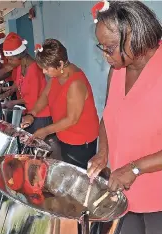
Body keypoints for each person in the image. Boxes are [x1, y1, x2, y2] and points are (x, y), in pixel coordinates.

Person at [87, 1, 162, 234]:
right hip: (126, 194)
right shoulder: (117, 70)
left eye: (109, 48)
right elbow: (108, 116)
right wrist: (103, 152)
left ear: (132, 36)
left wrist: (135, 168)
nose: (105, 56)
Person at [21, 39, 99, 170]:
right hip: (64, 134)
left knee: (77, 175)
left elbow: (72, 119)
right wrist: (32, 114)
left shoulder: (75, 84)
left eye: (46, 68)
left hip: (80, 140)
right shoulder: (56, 76)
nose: (44, 72)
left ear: (61, 64)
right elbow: (45, 95)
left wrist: (45, 130)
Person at [1, 32, 51, 133]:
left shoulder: (34, 70)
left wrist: (13, 103)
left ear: (20, 56)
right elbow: (18, 83)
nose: (9, 62)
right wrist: (9, 91)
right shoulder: (20, 66)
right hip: (30, 113)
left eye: (10, 59)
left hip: (41, 115)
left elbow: (32, 98)